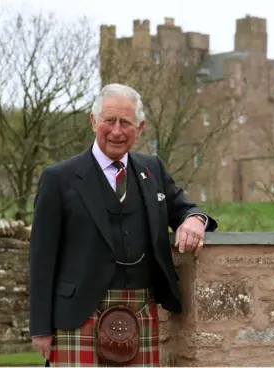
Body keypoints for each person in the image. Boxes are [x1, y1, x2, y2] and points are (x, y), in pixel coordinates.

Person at [28, 83, 217, 367]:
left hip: (140, 307)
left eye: (125, 122)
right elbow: (41, 258)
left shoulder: (151, 169)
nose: (116, 131)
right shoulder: (59, 178)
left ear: (139, 128)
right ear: (94, 122)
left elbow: (183, 207)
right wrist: (41, 328)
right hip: (78, 313)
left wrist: (194, 219)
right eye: (109, 121)